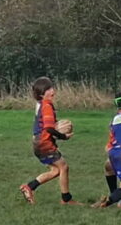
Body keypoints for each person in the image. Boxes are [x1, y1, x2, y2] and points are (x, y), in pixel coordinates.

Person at [19, 77, 80, 205]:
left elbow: (44, 127)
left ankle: (29, 187)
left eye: (52, 88)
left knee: (56, 170)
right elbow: (48, 128)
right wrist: (63, 136)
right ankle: (66, 199)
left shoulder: (40, 104)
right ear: (42, 93)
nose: (53, 91)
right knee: (63, 167)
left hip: (38, 142)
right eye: (49, 89)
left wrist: (55, 128)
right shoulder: (46, 105)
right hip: (44, 144)